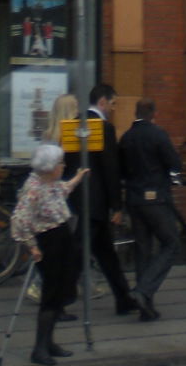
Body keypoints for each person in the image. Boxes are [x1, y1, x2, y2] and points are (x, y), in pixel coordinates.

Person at [10, 143, 86, 366]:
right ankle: (39, 348)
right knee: (50, 295)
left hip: (62, 236)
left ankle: (49, 342)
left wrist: (78, 178)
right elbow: (20, 221)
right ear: (50, 166)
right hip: (48, 242)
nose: (63, 166)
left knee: (59, 293)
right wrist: (31, 246)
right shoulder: (33, 188)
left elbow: (62, 190)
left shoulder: (50, 183)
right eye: (60, 163)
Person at [64, 84, 135, 317]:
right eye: (113, 104)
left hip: (79, 196)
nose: (114, 109)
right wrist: (117, 205)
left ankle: (123, 298)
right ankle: (57, 303)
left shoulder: (75, 123)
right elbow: (110, 169)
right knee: (76, 254)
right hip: (96, 201)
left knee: (105, 253)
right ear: (103, 102)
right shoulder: (103, 128)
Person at [116, 99, 182, 320]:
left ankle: (146, 306)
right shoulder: (158, 134)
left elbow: (121, 170)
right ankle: (143, 291)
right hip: (156, 199)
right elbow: (174, 162)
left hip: (134, 200)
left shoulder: (126, 137)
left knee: (142, 249)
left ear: (135, 113)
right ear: (153, 114)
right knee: (171, 243)